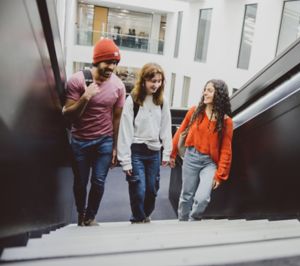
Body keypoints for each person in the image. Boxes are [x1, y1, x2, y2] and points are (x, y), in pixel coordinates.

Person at [63, 38, 126, 226]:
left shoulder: (118, 86)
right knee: (81, 183)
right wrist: (85, 97)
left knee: (99, 181)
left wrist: (115, 147)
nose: (112, 67)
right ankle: (81, 213)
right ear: (97, 60)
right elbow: (67, 114)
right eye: (108, 62)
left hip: (104, 141)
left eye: (115, 63)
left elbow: (117, 118)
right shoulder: (77, 80)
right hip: (80, 141)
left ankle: (91, 216)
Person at [170, 79, 233, 221]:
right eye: (205, 89)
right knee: (186, 196)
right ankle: (182, 223)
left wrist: (220, 174)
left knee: (202, 198)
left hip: (209, 163)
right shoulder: (195, 111)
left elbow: (226, 150)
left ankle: (193, 221)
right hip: (191, 157)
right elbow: (180, 132)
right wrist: (172, 154)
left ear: (219, 95)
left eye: (209, 90)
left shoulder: (226, 121)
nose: (205, 93)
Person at [117, 63, 172, 223]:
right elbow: (125, 131)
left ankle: (145, 216)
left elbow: (166, 127)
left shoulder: (162, 101)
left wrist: (167, 153)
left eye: (159, 81)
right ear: (143, 81)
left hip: (154, 152)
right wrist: (125, 161)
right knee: (138, 189)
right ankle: (138, 218)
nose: (156, 85)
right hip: (136, 151)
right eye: (152, 81)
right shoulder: (132, 100)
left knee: (152, 190)